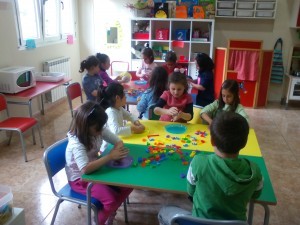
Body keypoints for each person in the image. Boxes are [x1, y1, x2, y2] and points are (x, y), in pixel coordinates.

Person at [158, 112, 263, 224]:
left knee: (164, 211)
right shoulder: (254, 171)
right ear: (245, 142)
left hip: (199, 221)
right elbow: (255, 195)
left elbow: (191, 191)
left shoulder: (198, 162)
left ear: (212, 141)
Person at [65, 101, 133, 225]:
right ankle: (98, 221)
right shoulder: (77, 143)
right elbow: (85, 169)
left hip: (96, 170)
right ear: (86, 126)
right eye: (98, 127)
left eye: (102, 126)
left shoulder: (98, 129)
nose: (101, 129)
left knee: (129, 184)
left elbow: (118, 141)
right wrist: (110, 157)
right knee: (110, 200)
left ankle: (110, 212)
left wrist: (117, 150)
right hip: (80, 179)